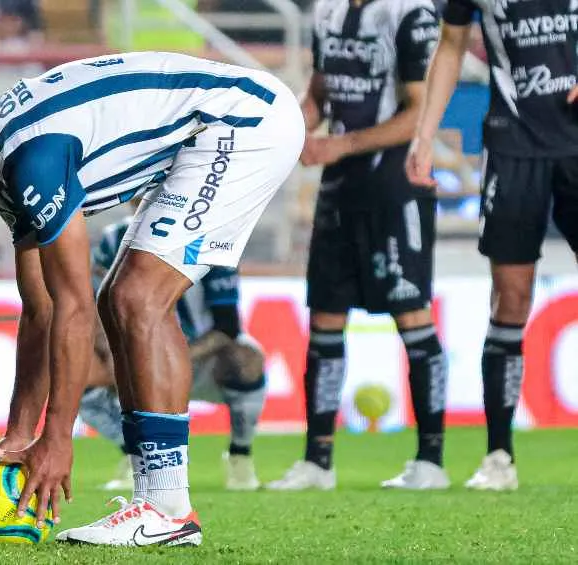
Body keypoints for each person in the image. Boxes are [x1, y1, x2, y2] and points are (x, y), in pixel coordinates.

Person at [0, 51, 303, 546]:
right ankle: (160, 507)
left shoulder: (31, 158)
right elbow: (40, 311)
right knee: (121, 299)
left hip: (244, 121)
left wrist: (58, 440)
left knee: (136, 298)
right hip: (212, 128)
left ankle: (167, 509)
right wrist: (20, 433)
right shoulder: (6, 167)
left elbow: (70, 307)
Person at [266, 0, 449, 491]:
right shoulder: (326, 11)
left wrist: (339, 146)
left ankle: (431, 459)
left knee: (412, 314)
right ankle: (316, 462)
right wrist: (284, 132)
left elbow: (419, 114)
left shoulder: (411, 14)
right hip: (338, 188)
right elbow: (319, 97)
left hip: (395, 185)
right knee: (325, 316)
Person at [406, 0, 578, 491]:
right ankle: (499, 455)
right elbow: (452, 45)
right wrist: (424, 135)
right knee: (510, 298)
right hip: (514, 143)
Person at [80, 211, 267, 492]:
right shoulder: (113, 240)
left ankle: (240, 455)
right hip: (134, 357)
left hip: (199, 360)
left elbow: (227, 326)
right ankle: (135, 455)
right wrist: (111, 353)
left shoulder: (211, 238)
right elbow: (92, 304)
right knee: (76, 368)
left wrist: (168, 359)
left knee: (247, 359)